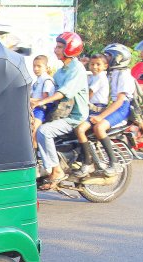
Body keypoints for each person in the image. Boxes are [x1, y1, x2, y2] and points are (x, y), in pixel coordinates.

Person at [31, 32, 88, 190]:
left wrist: (42, 101)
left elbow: (63, 93)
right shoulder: (61, 71)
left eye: (60, 47)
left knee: (44, 131)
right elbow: (51, 93)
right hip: (61, 112)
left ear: (70, 49)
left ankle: (56, 170)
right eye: (56, 46)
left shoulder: (77, 70)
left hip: (74, 116)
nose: (56, 49)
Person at [73, 44, 134, 178]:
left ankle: (114, 162)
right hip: (110, 107)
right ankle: (86, 161)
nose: (107, 58)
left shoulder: (124, 75)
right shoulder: (112, 73)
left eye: (109, 56)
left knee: (99, 128)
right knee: (79, 127)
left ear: (119, 57)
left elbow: (119, 101)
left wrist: (101, 116)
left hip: (121, 107)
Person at [30, 55, 56, 148]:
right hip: (34, 109)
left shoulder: (47, 80)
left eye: (39, 66)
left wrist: (31, 100)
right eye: (34, 66)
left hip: (41, 110)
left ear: (46, 67)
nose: (36, 68)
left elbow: (45, 99)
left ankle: (35, 158)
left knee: (33, 132)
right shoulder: (36, 81)